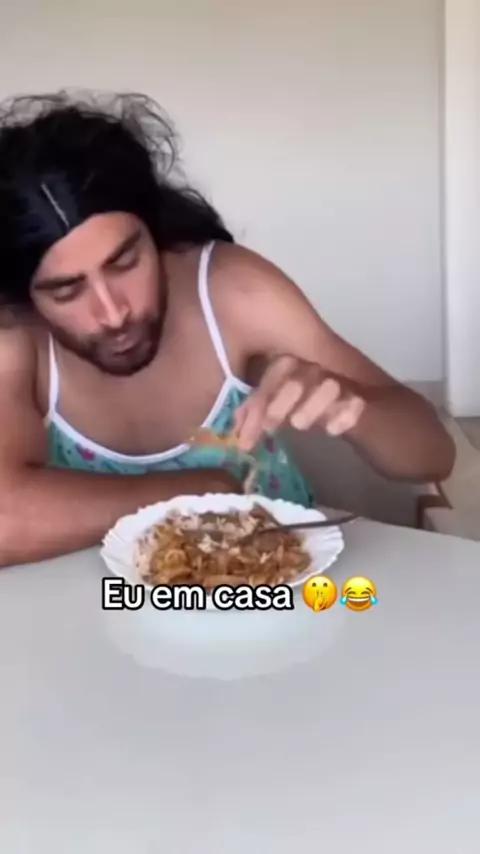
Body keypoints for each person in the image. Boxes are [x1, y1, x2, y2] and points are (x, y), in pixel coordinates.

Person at [0, 91, 454, 566]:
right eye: (67, 291)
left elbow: (433, 455)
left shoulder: (233, 291)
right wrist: (202, 488)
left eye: (126, 262)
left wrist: (353, 407)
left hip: (274, 586)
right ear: (23, 295)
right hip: (94, 600)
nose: (113, 314)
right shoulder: (18, 336)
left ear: (155, 233)